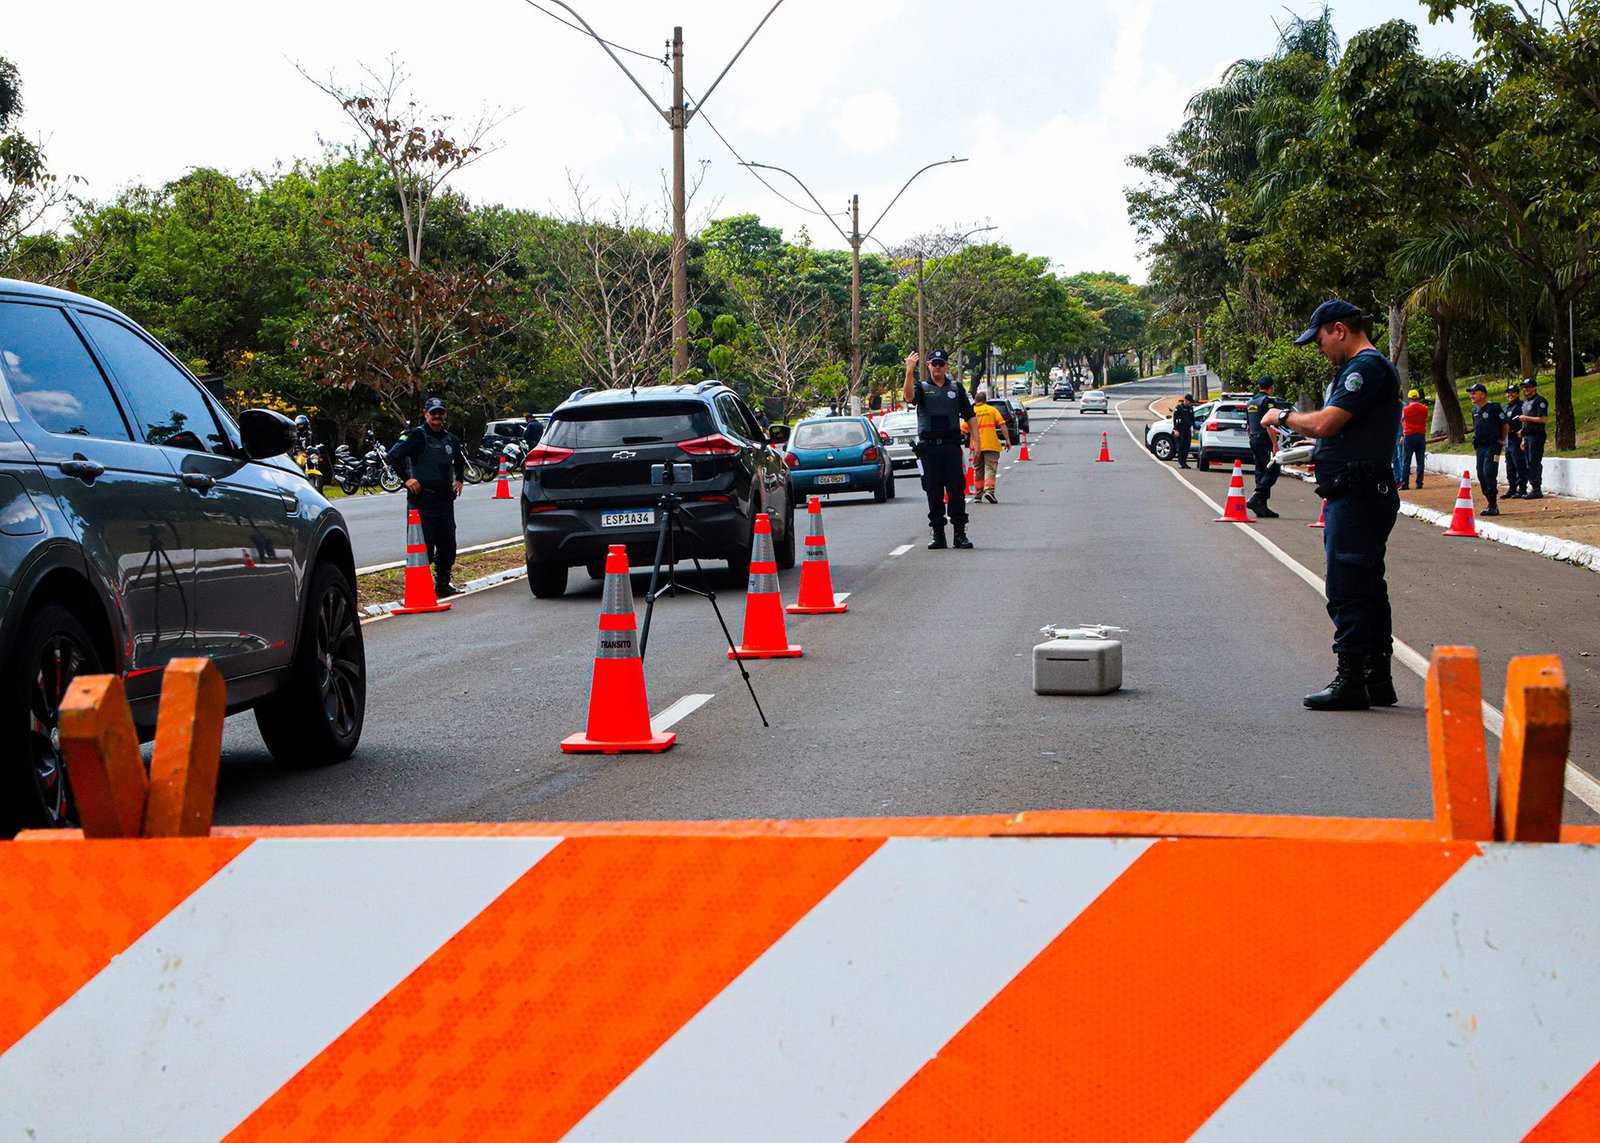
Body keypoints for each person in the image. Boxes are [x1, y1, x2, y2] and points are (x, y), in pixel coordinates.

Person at [1262, 299, 1401, 710]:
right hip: (1362, 491)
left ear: (1339, 330)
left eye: (1320, 339)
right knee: (1368, 588)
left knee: (1347, 589)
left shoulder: (1364, 368)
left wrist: (1283, 417)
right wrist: (1321, 452)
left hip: (1357, 496)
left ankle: (1351, 679)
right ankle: (1377, 678)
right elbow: (1343, 433)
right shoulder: (1367, 368)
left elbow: (1326, 422)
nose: (1320, 349)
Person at [388, 396, 467, 596]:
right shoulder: (416, 435)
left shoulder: (450, 438)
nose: (437, 417)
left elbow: (459, 460)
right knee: (424, 547)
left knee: (448, 545)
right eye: (433, 413)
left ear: (445, 414)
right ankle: (419, 588)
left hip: (444, 500)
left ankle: (443, 584)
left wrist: (459, 479)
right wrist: (407, 479)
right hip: (422, 501)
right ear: (425, 414)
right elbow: (393, 456)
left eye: (441, 413)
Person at [904, 349, 975, 549]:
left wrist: (976, 441)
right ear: (928, 365)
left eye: (941, 364)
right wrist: (909, 371)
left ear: (946, 366)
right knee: (933, 492)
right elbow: (909, 397)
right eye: (934, 363)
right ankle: (938, 534)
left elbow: (970, 415)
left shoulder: (956, 388)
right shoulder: (921, 388)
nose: (937, 367)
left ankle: (959, 534)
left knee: (956, 491)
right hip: (929, 450)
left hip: (951, 448)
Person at [1466, 383, 1507, 517]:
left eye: (1474, 393)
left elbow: (1505, 425)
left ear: (1482, 394)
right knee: (1481, 474)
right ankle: (1489, 502)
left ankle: (1493, 504)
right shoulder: (1474, 411)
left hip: (1493, 444)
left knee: (1489, 472)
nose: (1471, 396)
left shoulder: (1494, 408)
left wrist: (1502, 440)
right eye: (1471, 393)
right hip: (1480, 446)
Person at [1244, 375, 1282, 517]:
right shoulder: (1268, 401)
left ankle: (1262, 506)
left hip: (1254, 438)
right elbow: (1270, 425)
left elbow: (1248, 426)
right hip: (1265, 439)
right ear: (1271, 387)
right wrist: (1275, 444)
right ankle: (1257, 496)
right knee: (1273, 469)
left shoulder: (1250, 402)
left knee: (1260, 470)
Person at [968, 388, 1012, 503]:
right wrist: (1007, 440)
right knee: (990, 468)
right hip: (991, 444)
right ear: (985, 400)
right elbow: (1002, 425)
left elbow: (963, 429)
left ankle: (978, 496)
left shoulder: (971, 411)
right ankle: (989, 491)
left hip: (976, 446)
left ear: (975, 400)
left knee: (978, 470)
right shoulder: (992, 410)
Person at [1516, 377, 1549, 499]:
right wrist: (1523, 438)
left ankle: (1536, 488)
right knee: (1528, 462)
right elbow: (1525, 423)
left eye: (1528, 387)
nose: (1526, 390)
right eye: (1524, 388)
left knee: (1534, 461)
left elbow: (1543, 419)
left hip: (1536, 435)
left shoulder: (1539, 401)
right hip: (1527, 435)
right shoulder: (1525, 403)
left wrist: (1526, 418)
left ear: (1534, 387)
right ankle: (1533, 486)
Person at [1399, 388, 1429, 489]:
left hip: (1408, 436)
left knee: (1406, 461)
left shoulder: (1405, 410)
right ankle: (1419, 483)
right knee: (1420, 461)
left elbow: (1402, 420)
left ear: (1409, 399)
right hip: (1420, 436)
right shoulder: (1424, 409)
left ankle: (1405, 483)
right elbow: (1425, 418)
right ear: (1418, 398)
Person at [1503, 384, 1526, 498]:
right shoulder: (1506, 408)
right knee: (1509, 465)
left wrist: (1523, 433)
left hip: (1517, 439)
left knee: (1519, 464)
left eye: (1512, 392)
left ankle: (1522, 488)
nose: (1510, 395)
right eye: (1508, 393)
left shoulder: (1521, 406)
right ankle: (1512, 487)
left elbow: (1525, 421)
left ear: (1517, 393)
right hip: (1508, 440)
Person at [1172, 392, 1196, 468]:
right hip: (1180, 429)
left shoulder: (1190, 409)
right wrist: (1176, 430)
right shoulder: (1179, 408)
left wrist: (1194, 428)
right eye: (1189, 401)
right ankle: (1180, 462)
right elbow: (1175, 419)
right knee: (1181, 446)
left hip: (1187, 429)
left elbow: (1192, 419)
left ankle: (1184, 462)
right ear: (1185, 400)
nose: (1190, 403)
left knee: (1187, 446)